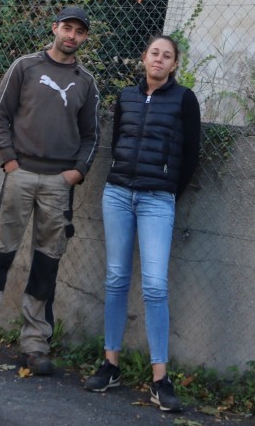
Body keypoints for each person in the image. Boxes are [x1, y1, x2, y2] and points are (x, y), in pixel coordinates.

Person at [0, 6, 100, 375]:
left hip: (58, 184)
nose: (72, 36)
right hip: (19, 175)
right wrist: (9, 161)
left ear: (84, 38)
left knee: (47, 264)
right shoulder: (25, 67)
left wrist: (76, 173)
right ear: (55, 28)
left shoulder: (86, 82)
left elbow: (92, 135)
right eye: (67, 28)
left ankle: (34, 345)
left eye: (79, 32)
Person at [83, 34, 201, 412]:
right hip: (118, 194)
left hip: (157, 200)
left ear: (175, 64)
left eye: (167, 56)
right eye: (154, 53)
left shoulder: (184, 100)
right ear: (144, 57)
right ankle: (110, 364)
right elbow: (118, 140)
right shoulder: (126, 97)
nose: (159, 59)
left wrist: (166, 190)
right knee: (116, 278)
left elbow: (192, 154)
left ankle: (160, 380)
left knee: (154, 285)